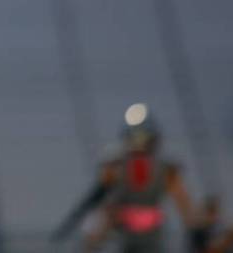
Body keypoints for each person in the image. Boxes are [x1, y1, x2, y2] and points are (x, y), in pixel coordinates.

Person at [76, 104, 196, 252]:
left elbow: (184, 205)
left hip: (151, 236)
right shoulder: (116, 167)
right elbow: (104, 208)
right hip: (126, 234)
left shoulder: (165, 170)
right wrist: (94, 239)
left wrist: (195, 230)